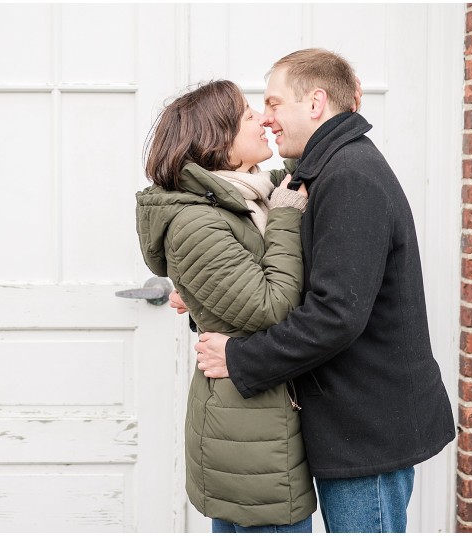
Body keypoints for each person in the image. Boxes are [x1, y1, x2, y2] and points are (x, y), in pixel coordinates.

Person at [192, 49, 456, 533]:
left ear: (315, 103)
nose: (266, 119)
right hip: (345, 421)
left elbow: (336, 315)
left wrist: (242, 359)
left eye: (273, 104)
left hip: (367, 428)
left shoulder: (350, 176)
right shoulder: (320, 170)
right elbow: (287, 277)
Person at [136, 80, 316, 532]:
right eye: (248, 116)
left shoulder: (250, 197)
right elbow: (270, 306)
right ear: (217, 141)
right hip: (248, 434)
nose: (263, 119)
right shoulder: (198, 220)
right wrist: (289, 214)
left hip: (258, 418)